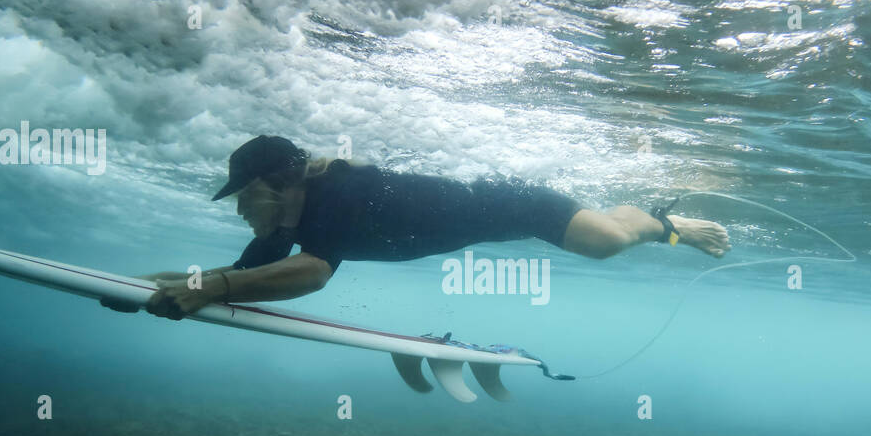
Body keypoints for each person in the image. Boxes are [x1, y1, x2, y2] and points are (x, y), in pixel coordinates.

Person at [114, 136, 730, 320]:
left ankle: (663, 221)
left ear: (283, 183)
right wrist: (147, 284)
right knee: (601, 237)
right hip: (485, 213)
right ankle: (648, 217)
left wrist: (212, 290)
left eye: (246, 196)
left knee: (606, 243)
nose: (240, 208)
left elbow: (309, 277)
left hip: (515, 203)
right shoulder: (284, 225)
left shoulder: (338, 196)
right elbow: (248, 273)